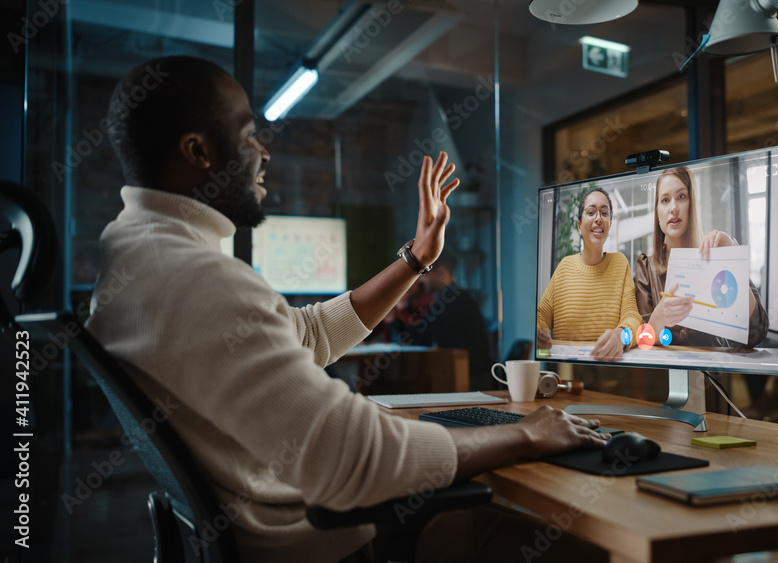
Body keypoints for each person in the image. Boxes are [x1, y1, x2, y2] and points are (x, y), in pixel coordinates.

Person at [87, 56, 608, 563]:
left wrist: (415, 259)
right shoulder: (195, 278)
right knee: (582, 546)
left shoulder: (139, 258)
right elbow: (356, 455)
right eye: (248, 135)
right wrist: (525, 434)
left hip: (284, 534)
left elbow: (307, 335)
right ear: (198, 151)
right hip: (324, 546)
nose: (262, 154)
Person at [633, 166, 769, 348]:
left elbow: (757, 334)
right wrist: (658, 317)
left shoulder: (718, 255)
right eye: (665, 200)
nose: (673, 208)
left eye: (681, 197)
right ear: (657, 213)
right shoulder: (646, 267)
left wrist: (731, 257)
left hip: (711, 376)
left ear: (693, 204)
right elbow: (642, 344)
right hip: (667, 377)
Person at [536, 187, 642, 361]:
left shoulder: (620, 263)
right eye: (591, 212)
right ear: (579, 226)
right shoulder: (564, 266)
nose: (598, 219)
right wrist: (540, 331)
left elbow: (634, 319)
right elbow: (542, 314)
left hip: (609, 367)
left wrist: (621, 336)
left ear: (609, 225)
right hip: (566, 369)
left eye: (604, 213)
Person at [415, 249, 495, 390]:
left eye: (425, 274)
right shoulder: (457, 296)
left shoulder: (448, 300)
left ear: (441, 272)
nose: (421, 279)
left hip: (468, 380)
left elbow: (422, 338)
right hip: (476, 376)